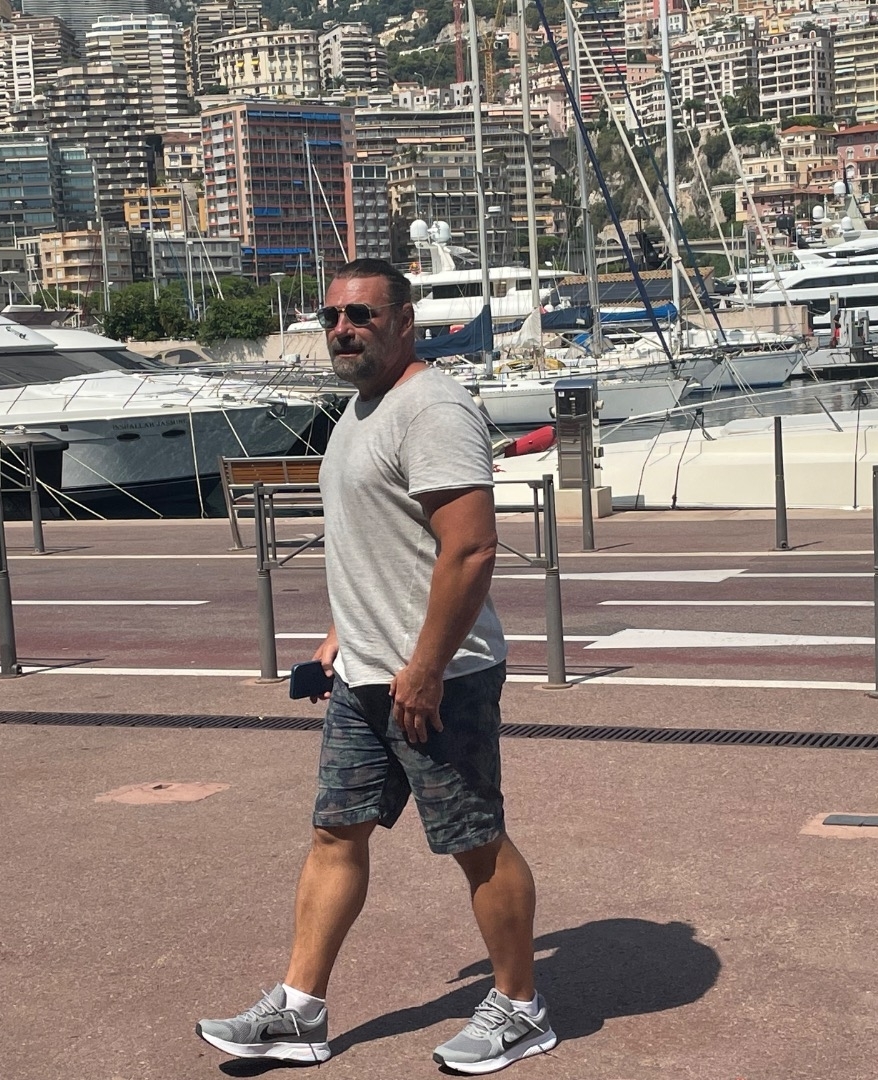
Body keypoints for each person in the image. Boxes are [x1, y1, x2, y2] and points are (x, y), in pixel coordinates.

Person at [196, 259, 555, 1075]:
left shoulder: (432, 408)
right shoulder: (361, 410)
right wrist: (339, 633)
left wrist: (425, 667)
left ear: (404, 322)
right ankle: (299, 1012)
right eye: (331, 317)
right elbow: (379, 541)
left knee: (475, 840)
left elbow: (471, 549)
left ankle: (521, 1006)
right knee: (336, 831)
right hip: (365, 673)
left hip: (440, 676)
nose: (342, 330)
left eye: (360, 315)